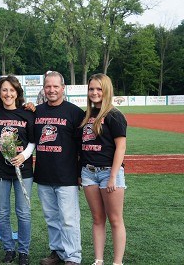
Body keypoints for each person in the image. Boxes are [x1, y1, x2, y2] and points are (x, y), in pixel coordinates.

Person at [34, 71, 84, 265]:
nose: (52, 90)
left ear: (63, 88)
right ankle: (57, 252)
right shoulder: (37, 111)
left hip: (67, 176)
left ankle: (73, 257)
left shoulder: (75, 112)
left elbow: (82, 146)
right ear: (44, 88)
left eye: (56, 86)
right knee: (51, 218)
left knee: (69, 219)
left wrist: (79, 173)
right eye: (48, 86)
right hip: (44, 174)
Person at [80, 73, 127, 265]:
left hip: (109, 172)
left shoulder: (114, 115)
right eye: (91, 89)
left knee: (115, 220)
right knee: (97, 219)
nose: (95, 92)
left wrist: (113, 176)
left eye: (99, 89)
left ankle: (117, 262)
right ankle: (98, 260)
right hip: (88, 173)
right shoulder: (87, 115)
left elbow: (121, 147)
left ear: (106, 90)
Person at [0, 75, 35, 265]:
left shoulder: (27, 113)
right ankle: (8, 248)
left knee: (23, 212)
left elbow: (33, 140)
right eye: (4, 90)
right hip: (0, 171)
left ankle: (23, 251)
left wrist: (24, 155)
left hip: (23, 171)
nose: (8, 94)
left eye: (12, 90)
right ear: (0, 92)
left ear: (17, 93)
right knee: (2, 212)